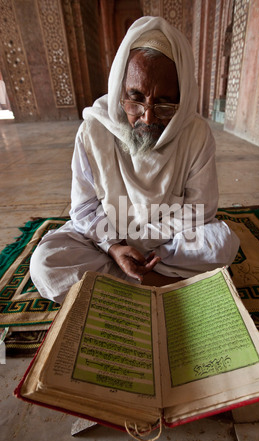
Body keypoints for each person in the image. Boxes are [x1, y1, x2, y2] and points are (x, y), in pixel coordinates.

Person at [30, 16, 239, 304]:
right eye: (136, 97)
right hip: (109, 238)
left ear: (183, 97)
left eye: (164, 102)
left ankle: (123, 286)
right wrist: (115, 246)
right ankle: (159, 283)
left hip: (168, 239)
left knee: (222, 243)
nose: (148, 116)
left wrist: (140, 243)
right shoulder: (93, 130)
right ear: (120, 89)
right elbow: (85, 207)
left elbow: (199, 210)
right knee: (45, 263)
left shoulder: (195, 134)